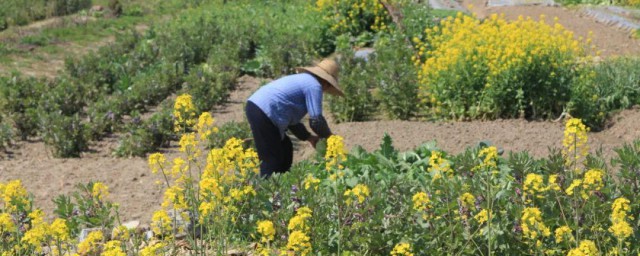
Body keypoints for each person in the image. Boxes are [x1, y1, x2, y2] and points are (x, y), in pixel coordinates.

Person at [245, 58, 344, 178]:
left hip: (258, 108)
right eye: (327, 88)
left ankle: (281, 187)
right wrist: (330, 139)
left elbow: (293, 122)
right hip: (264, 110)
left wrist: (309, 137)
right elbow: (316, 121)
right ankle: (267, 192)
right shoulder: (314, 85)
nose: (325, 91)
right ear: (326, 83)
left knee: (285, 149)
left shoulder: (304, 80)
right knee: (272, 158)